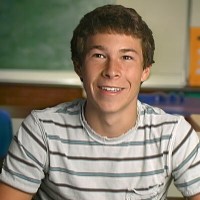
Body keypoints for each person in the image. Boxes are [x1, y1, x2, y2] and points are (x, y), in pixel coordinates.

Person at [0, 4, 200, 200]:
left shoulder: (174, 135)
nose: (112, 70)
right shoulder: (40, 130)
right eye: (99, 55)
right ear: (79, 66)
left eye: (127, 57)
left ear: (145, 70)